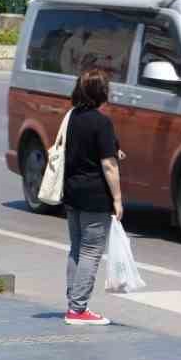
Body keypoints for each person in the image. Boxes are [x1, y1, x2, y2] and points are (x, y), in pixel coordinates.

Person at [61, 67, 123, 325]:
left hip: (72, 192)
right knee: (90, 251)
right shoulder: (101, 122)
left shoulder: (72, 116)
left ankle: (72, 302)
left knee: (77, 249)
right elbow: (108, 164)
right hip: (95, 195)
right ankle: (78, 309)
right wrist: (118, 199)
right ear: (101, 93)